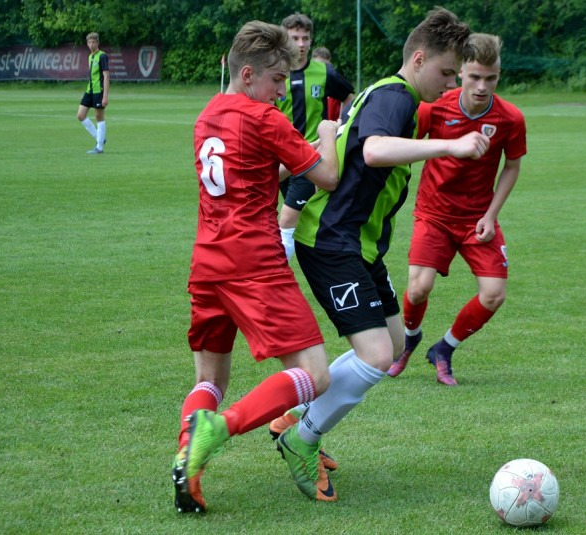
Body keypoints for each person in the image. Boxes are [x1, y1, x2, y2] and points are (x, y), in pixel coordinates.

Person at [269, 7, 489, 502]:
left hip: (361, 245)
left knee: (391, 344)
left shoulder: (392, 95)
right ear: (419, 59)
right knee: (376, 356)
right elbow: (372, 150)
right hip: (332, 240)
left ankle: (298, 414)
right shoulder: (396, 95)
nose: (451, 83)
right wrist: (448, 147)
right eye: (447, 72)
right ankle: (303, 437)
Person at [171, 20, 341, 513]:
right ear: (248, 74)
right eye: (276, 81)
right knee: (315, 374)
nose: (280, 93)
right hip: (255, 263)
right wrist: (327, 135)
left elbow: (253, 167)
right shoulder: (266, 118)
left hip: (207, 262)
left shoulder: (207, 115)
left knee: (210, 380)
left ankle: (187, 456)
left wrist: (297, 155)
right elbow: (328, 177)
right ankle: (217, 429)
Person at [387, 33, 526, 386]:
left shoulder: (510, 118)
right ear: (461, 71)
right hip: (433, 213)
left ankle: (444, 349)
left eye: (491, 78)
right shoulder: (434, 107)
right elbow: (403, 146)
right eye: (475, 76)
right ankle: (410, 339)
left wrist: (491, 215)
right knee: (418, 289)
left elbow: (512, 166)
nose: (482, 86)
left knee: (494, 294)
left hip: (477, 218)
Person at [277, 13, 355, 260]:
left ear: (311, 41)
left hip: (310, 160)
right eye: (295, 38)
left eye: (305, 38)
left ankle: (271, 276)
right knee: (304, 225)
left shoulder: (323, 72)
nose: (301, 44)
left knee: (286, 221)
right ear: (285, 39)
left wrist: (340, 126)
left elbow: (349, 98)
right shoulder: (275, 74)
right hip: (281, 161)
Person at [76, 32, 109, 154]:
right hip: (89, 90)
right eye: (89, 42)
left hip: (98, 91)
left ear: (98, 43)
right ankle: (100, 138)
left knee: (99, 117)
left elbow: (106, 76)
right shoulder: (90, 56)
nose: (91, 44)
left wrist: (105, 96)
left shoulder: (102, 56)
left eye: (93, 42)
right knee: (80, 115)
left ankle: (99, 147)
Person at [311, 46, 343, 121]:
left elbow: (346, 99)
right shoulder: (309, 83)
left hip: (333, 124)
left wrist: (340, 120)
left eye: (324, 66)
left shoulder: (334, 82)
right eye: (317, 65)